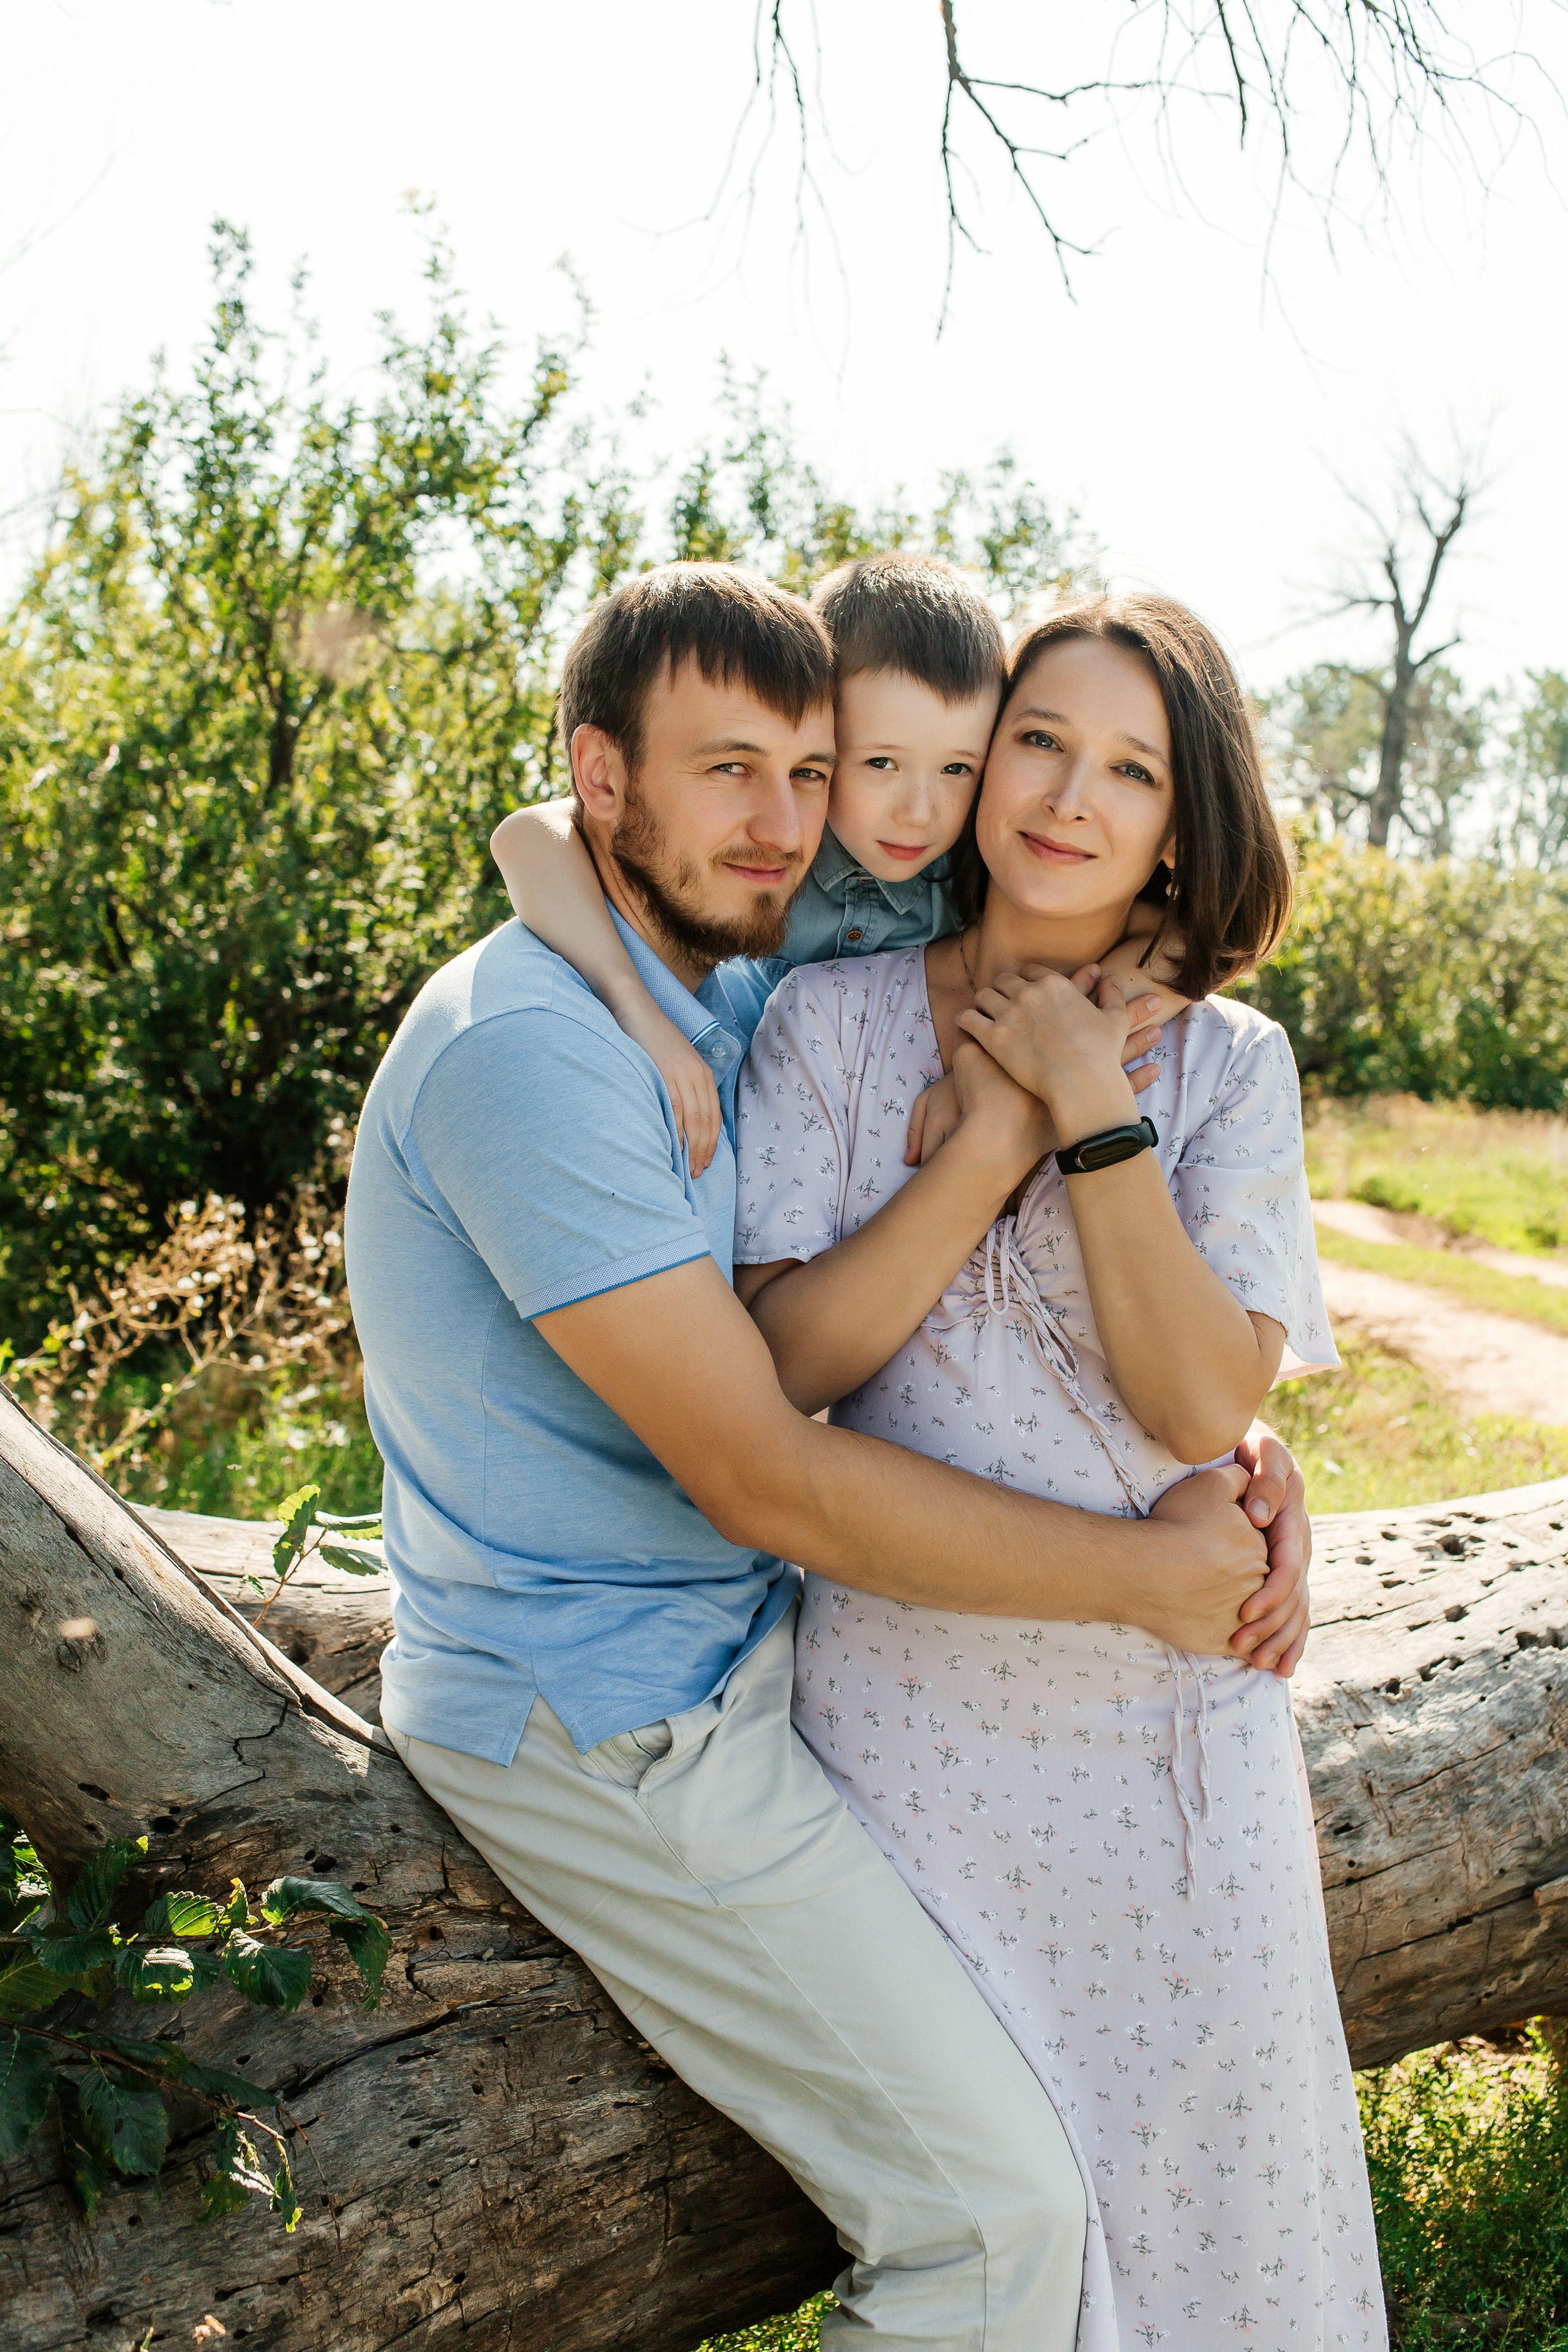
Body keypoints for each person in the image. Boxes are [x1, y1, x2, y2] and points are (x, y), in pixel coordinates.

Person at [344, 561, 1313, 2352]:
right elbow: (766, 1471)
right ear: (605, 779)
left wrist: (1246, 1455)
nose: (789, 824)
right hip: (613, 1708)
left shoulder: (715, 974)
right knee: (991, 2217)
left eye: (815, 771)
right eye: (730, 771)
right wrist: (1164, 1576)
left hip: (745, 1657)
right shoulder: (532, 1051)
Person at [734, 592, 1385, 2350]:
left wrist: (1094, 1104)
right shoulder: (836, 1026)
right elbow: (791, 1370)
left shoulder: (1233, 1069)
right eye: (1038, 737)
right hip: (906, 1745)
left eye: (1130, 769)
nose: (1067, 797)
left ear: (1188, 825)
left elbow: (1193, 1407)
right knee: (1006, 2242)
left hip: (1173, 1746)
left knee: (1230, 2225)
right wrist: (994, 1127)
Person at [492, 552, 1185, 1180]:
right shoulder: (775, 845)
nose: (919, 812)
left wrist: (1015, 1065)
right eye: (879, 761)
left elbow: (1189, 935)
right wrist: (637, 1010)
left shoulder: (970, 874)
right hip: (720, 1141)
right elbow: (528, 836)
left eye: (956, 768)